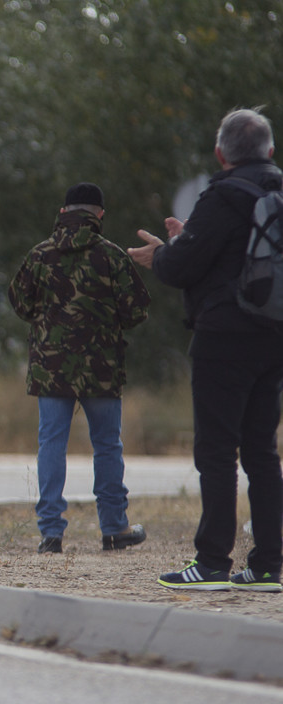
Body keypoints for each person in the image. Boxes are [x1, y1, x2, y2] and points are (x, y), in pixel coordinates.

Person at [131, 107, 283, 593]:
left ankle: (213, 562)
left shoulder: (222, 196)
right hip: (274, 337)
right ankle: (268, 566)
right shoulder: (279, 193)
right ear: (270, 150)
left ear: (220, 154)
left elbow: (181, 269)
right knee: (263, 452)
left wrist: (162, 252)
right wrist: (185, 242)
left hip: (224, 338)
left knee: (217, 451)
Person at [8, 182, 151, 554]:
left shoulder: (40, 255)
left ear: (63, 212)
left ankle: (51, 533)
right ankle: (114, 528)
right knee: (107, 445)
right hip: (100, 368)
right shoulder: (112, 256)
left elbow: (20, 303)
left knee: (51, 444)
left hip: (51, 367)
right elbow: (136, 311)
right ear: (100, 214)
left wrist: (48, 321)